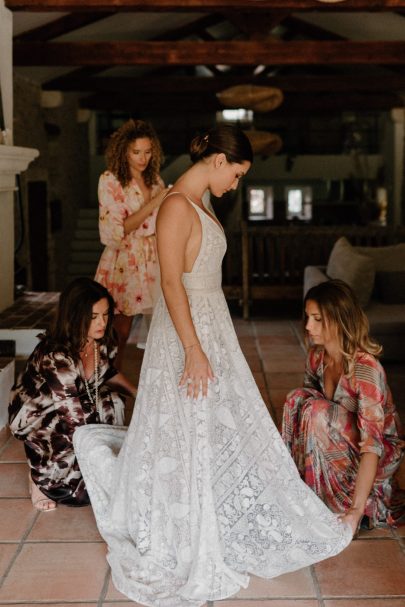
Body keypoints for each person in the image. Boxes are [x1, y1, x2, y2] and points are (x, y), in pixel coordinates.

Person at [73, 125, 351, 607]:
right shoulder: (177, 205)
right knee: (191, 417)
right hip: (187, 332)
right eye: (238, 174)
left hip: (210, 324)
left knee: (212, 419)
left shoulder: (200, 202)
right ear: (219, 161)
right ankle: (187, 512)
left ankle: (212, 503)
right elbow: (173, 286)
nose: (236, 184)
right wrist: (194, 349)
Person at [282, 279, 404, 533]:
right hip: (338, 445)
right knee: (297, 400)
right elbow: (306, 421)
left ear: (339, 320)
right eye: (307, 317)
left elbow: (373, 444)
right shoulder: (317, 357)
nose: (308, 326)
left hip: (374, 454)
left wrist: (356, 511)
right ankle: (304, 492)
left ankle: (351, 503)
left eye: (317, 319)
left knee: (316, 411)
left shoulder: (365, 369)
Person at [8, 278, 137, 511]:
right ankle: (40, 479)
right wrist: (106, 459)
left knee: (112, 401)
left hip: (76, 404)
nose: (102, 323)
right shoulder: (56, 355)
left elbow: (108, 372)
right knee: (75, 491)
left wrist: (138, 393)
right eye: (94, 317)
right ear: (75, 317)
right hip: (38, 415)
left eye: (106, 315)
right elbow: (73, 416)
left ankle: (96, 466)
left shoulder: (102, 340)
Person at [94, 119, 169, 368]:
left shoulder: (155, 180)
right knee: (119, 331)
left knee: (160, 329)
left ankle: (154, 387)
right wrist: (154, 203)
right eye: (136, 152)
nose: (143, 158)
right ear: (124, 150)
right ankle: (107, 384)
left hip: (154, 259)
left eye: (148, 152)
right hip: (124, 260)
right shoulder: (110, 180)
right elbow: (116, 230)